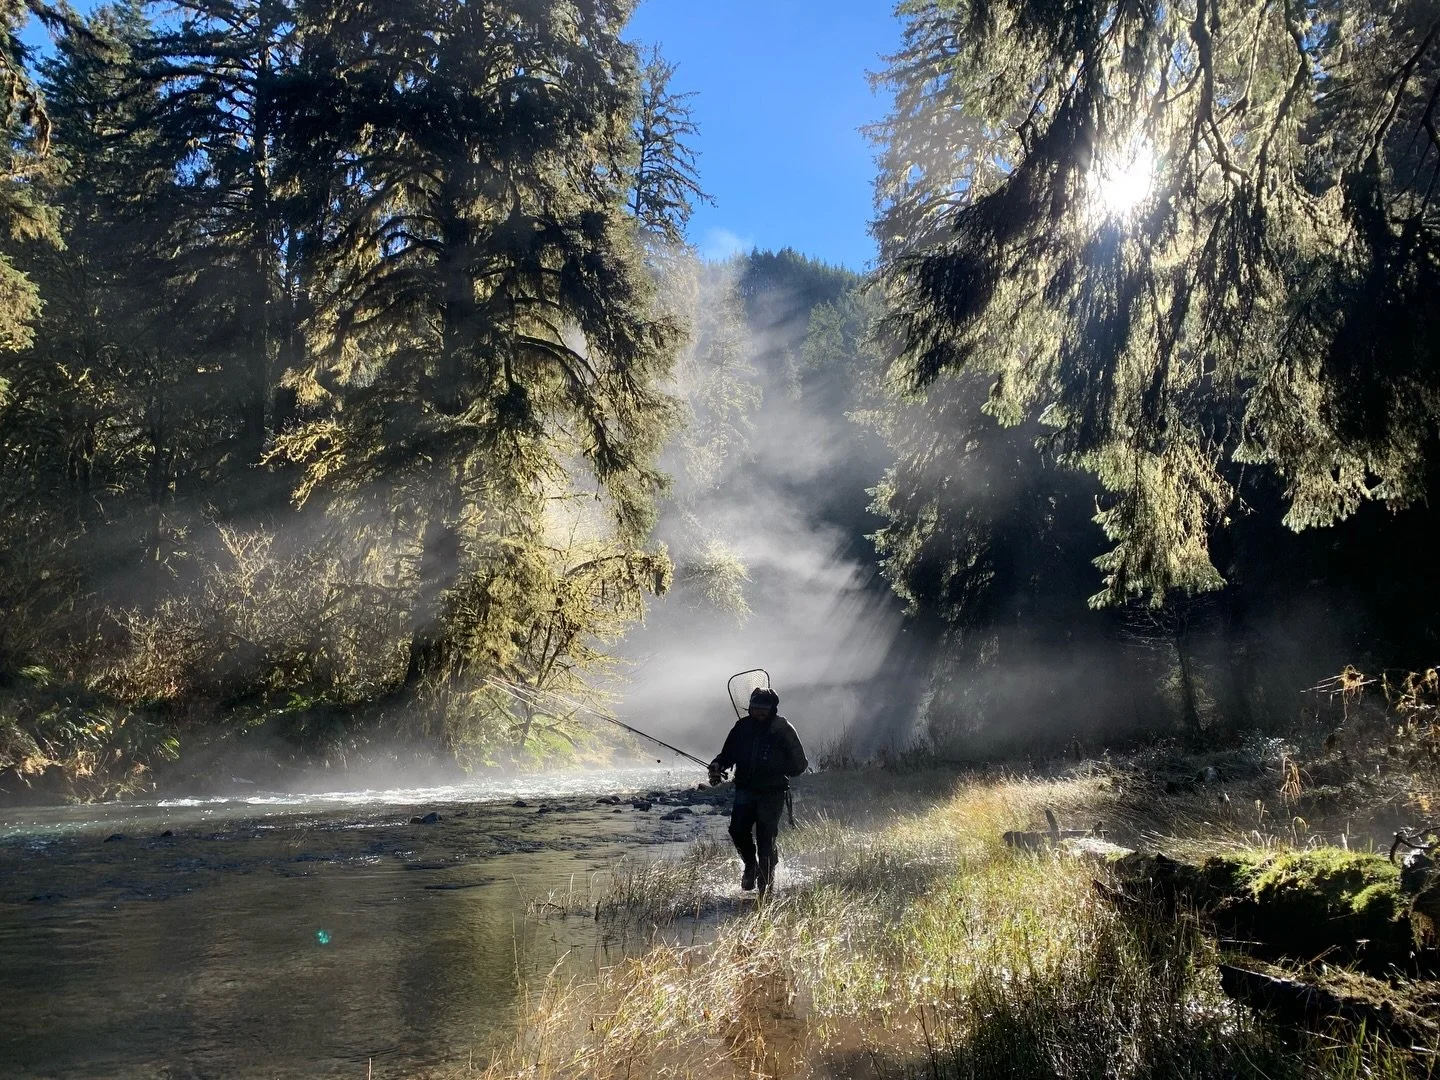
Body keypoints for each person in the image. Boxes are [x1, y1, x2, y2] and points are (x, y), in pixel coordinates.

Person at [708, 686, 807, 894]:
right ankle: (750, 866)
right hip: (745, 788)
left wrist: (776, 767)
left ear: (773, 708)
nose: (759, 712)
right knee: (737, 830)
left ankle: (766, 884)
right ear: (750, 708)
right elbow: (727, 755)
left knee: (766, 837)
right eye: (755, 708)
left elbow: (800, 765)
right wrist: (717, 766)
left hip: (773, 792)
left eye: (764, 708)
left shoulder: (784, 729)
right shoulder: (741, 727)